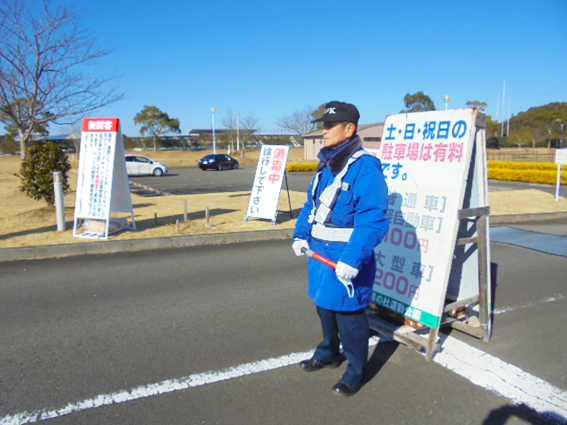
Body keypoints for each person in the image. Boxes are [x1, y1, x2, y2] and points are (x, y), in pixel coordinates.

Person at [292, 101, 389, 397]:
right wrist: (300, 235)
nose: (324, 131)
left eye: (330, 126)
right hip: (320, 254)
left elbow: (373, 218)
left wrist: (353, 258)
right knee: (324, 307)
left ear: (350, 128)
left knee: (349, 316)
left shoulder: (364, 166)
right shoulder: (326, 164)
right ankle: (328, 352)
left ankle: (356, 371)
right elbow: (311, 205)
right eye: (323, 125)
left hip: (345, 257)